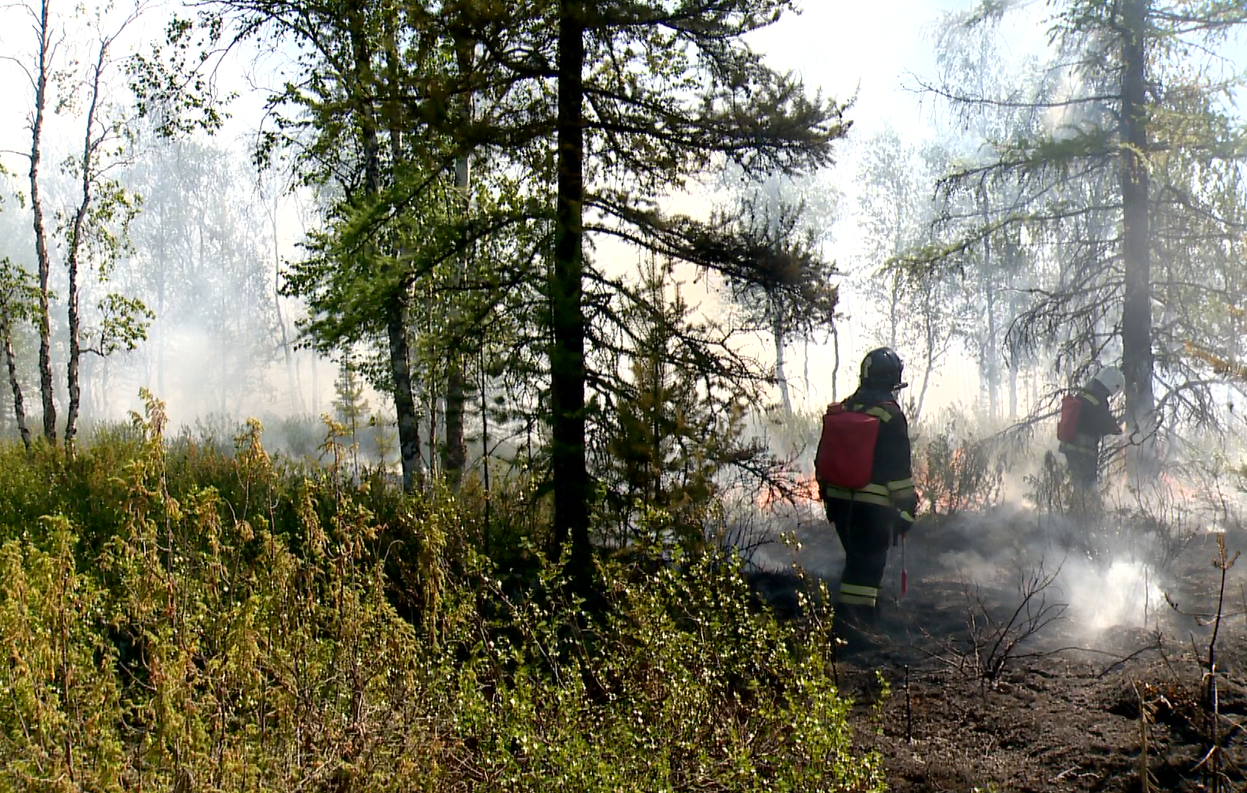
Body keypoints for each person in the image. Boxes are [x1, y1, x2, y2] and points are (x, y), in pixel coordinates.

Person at [816, 347, 917, 646]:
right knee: (866, 569)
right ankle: (852, 631)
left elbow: (823, 458)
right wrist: (906, 510)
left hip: (838, 502)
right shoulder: (891, 415)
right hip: (871, 509)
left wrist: (828, 497)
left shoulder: (845, 408)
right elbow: (898, 472)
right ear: (891, 382)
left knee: (857, 562)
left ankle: (860, 621)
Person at [1058, 366, 1124, 496]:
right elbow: (1102, 423)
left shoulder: (1086, 393)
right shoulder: (1098, 399)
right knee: (1087, 487)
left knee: (1077, 484)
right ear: (1112, 384)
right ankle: (1085, 513)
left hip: (1070, 446)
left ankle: (1075, 510)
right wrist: (1114, 427)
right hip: (1083, 450)